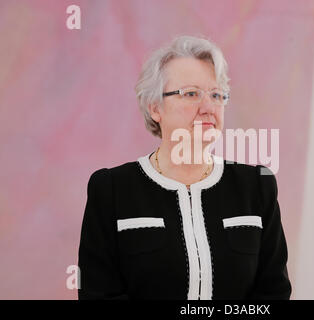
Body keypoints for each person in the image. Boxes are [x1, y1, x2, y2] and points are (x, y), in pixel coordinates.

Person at [78, 35, 291, 300]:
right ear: (155, 107)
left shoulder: (256, 186)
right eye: (191, 94)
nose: (208, 107)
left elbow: (274, 292)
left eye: (216, 95)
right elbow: (99, 294)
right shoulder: (111, 190)